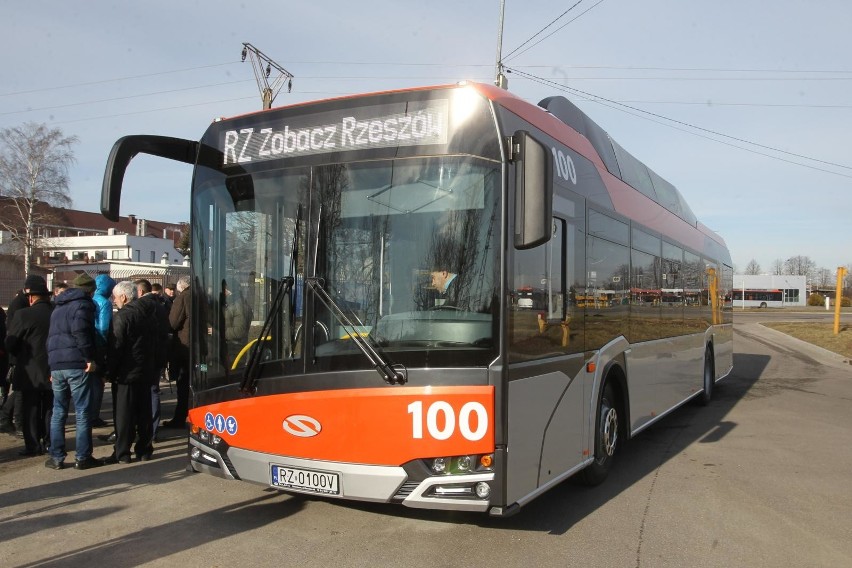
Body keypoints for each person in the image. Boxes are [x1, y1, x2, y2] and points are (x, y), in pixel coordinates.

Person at [46, 273, 100, 470]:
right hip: (76, 363)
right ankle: (83, 456)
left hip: (57, 364)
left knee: (58, 411)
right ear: (89, 290)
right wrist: (89, 358)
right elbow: (81, 333)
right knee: (82, 411)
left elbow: (51, 337)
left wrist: (51, 366)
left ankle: (56, 457)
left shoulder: (58, 307)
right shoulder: (83, 305)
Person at [102, 281, 156, 464]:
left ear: (123, 297)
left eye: (115, 298)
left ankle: (122, 451)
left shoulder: (122, 316)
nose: (114, 301)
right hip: (145, 369)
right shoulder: (148, 314)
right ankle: (145, 449)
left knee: (124, 414)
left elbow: (116, 346)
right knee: (144, 412)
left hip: (127, 372)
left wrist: (109, 371)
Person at [4, 279, 54, 456]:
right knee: (50, 408)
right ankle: (50, 442)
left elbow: (11, 343)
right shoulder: (56, 312)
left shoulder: (23, 315)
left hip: (29, 371)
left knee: (30, 409)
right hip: (52, 369)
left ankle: (33, 445)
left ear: (31, 297)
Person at [0, 276, 41, 436]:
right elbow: (13, 332)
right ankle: (15, 421)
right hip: (19, 354)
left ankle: (7, 418)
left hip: (19, 353)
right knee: (19, 390)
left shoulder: (19, 304)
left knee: (18, 390)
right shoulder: (19, 305)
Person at [134, 279, 170, 443]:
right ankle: (152, 429)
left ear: (140, 292)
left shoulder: (141, 306)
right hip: (158, 353)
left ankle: (146, 430)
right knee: (153, 391)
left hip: (145, 355)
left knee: (144, 393)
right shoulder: (160, 306)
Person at [163, 275, 190, 428]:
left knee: (183, 382)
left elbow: (173, 322)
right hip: (200, 346)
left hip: (184, 345)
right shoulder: (202, 296)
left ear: (180, 287)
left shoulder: (183, 298)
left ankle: (179, 418)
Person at [90, 274, 116, 428]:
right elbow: (104, 327)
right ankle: (94, 415)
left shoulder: (91, 299)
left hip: (89, 344)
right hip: (99, 345)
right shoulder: (105, 303)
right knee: (97, 383)